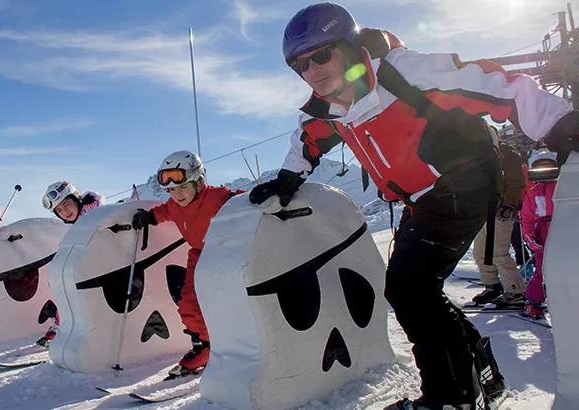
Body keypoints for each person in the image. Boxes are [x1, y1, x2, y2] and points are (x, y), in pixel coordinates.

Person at [249, 3, 579, 409]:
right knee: (415, 291)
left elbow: (495, 84)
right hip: (420, 200)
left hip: (462, 179)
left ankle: (450, 397)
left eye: (322, 54)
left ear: (350, 46)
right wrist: (288, 177)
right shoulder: (329, 109)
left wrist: (558, 123)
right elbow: (307, 140)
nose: (313, 70)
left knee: (409, 289)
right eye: (300, 64)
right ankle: (478, 375)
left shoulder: (403, 72)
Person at [131, 150, 244, 379]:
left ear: (199, 182)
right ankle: (204, 347)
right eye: (171, 190)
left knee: (231, 299)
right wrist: (148, 218)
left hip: (225, 251)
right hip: (199, 254)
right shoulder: (174, 205)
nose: (177, 194)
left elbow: (242, 199)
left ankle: (238, 345)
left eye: (183, 187)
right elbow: (163, 211)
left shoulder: (217, 198)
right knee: (188, 303)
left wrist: (261, 199)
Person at [37, 181, 105, 347]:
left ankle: (82, 329)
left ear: (76, 199)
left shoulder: (96, 211)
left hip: (106, 264)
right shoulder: (67, 227)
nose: (65, 212)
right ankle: (62, 325)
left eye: (66, 205)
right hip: (86, 265)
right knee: (59, 281)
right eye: (59, 210)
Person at [470, 126, 527, 306]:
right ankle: (492, 285)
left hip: (501, 210)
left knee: (497, 252)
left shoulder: (507, 155)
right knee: (480, 252)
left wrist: (509, 204)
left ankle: (516, 290)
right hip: (482, 209)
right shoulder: (476, 156)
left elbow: (516, 181)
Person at [520, 150, 559, 319]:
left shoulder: (562, 186)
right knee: (542, 267)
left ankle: (565, 297)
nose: (545, 171)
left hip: (562, 227)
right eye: (541, 167)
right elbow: (527, 217)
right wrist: (529, 235)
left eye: (548, 166)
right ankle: (533, 301)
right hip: (543, 231)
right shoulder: (534, 192)